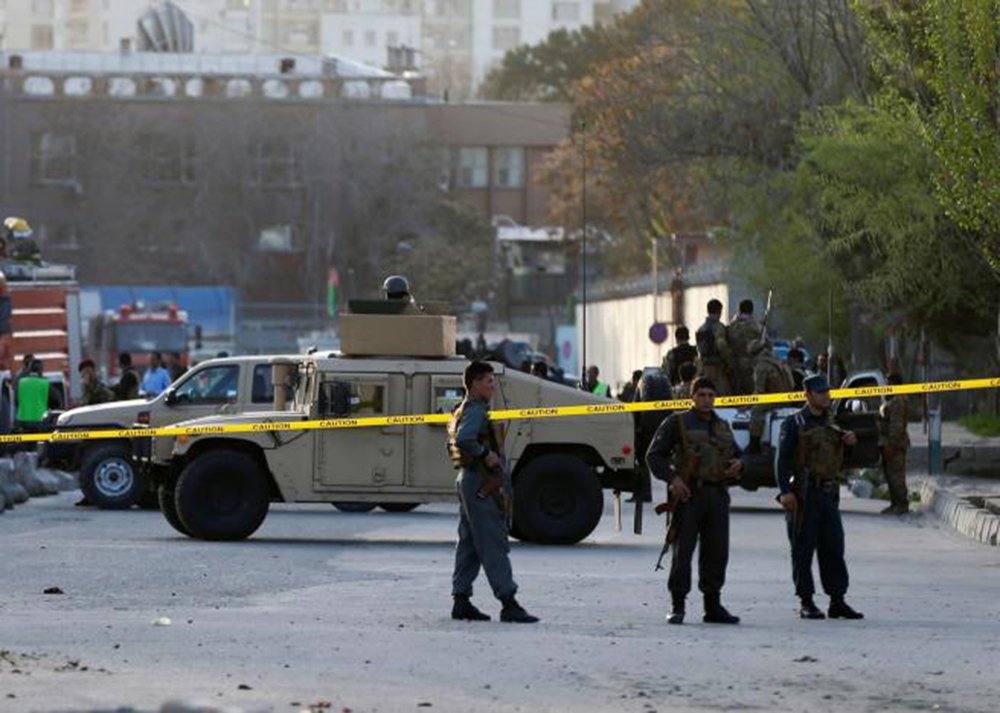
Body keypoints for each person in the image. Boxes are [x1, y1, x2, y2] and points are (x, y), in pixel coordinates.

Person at [645, 377, 744, 625]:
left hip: (717, 495)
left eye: (711, 395)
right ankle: (677, 605)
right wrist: (673, 479)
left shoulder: (722, 426)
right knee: (683, 553)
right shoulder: (676, 423)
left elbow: (739, 456)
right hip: (689, 496)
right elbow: (654, 456)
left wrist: (739, 465)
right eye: (702, 395)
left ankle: (713, 605)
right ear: (692, 397)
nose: (707, 400)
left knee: (717, 552)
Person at [447, 360, 538, 624]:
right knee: (492, 542)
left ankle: (461, 600)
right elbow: (465, 439)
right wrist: (486, 454)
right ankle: (509, 602)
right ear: (474, 383)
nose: (492, 385)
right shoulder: (475, 410)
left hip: (470, 481)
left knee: (469, 544)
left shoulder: (462, 409)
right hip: (481, 483)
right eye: (488, 381)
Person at [776, 373, 864, 621]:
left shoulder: (832, 422)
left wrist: (850, 443)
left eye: (827, 391)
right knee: (802, 549)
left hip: (828, 493)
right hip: (805, 494)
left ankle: (837, 600)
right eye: (820, 392)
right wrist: (785, 492)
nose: (826, 396)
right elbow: (781, 461)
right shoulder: (794, 423)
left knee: (834, 547)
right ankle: (806, 601)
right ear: (808, 395)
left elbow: (842, 460)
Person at [747, 337, 795, 454]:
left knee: (757, 411)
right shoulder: (779, 361)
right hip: (788, 398)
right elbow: (792, 384)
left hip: (776, 399)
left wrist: (746, 404)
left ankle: (755, 444)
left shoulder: (761, 365)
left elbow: (759, 392)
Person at [879, 372, 911, 515]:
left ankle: (902, 505)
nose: (886, 386)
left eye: (888, 383)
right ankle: (894, 504)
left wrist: (891, 444)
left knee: (897, 475)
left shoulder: (898, 400)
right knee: (890, 474)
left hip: (896, 444)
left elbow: (896, 426)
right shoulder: (893, 399)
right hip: (890, 442)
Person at [695, 299, 732, 395]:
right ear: (720, 311)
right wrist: (729, 361)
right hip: (717, 368)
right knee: (724, 398)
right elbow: (721, 344)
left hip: (704, 368)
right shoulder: (718, 327)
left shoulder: (700, 329)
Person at [727, 299, 761, 396]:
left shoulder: (731, 325)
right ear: (752, 310)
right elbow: (764, 343)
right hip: (751, 363)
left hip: (734, 363)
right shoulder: (755, 325)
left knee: (736, 391)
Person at [15, 358, 49, 431]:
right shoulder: (45, 383)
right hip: (40, 419)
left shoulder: (21, 382)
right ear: (41, 370)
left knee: (27, 441)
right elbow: (56, 400)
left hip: (23, 420)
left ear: (29, 369)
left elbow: (16, 400)